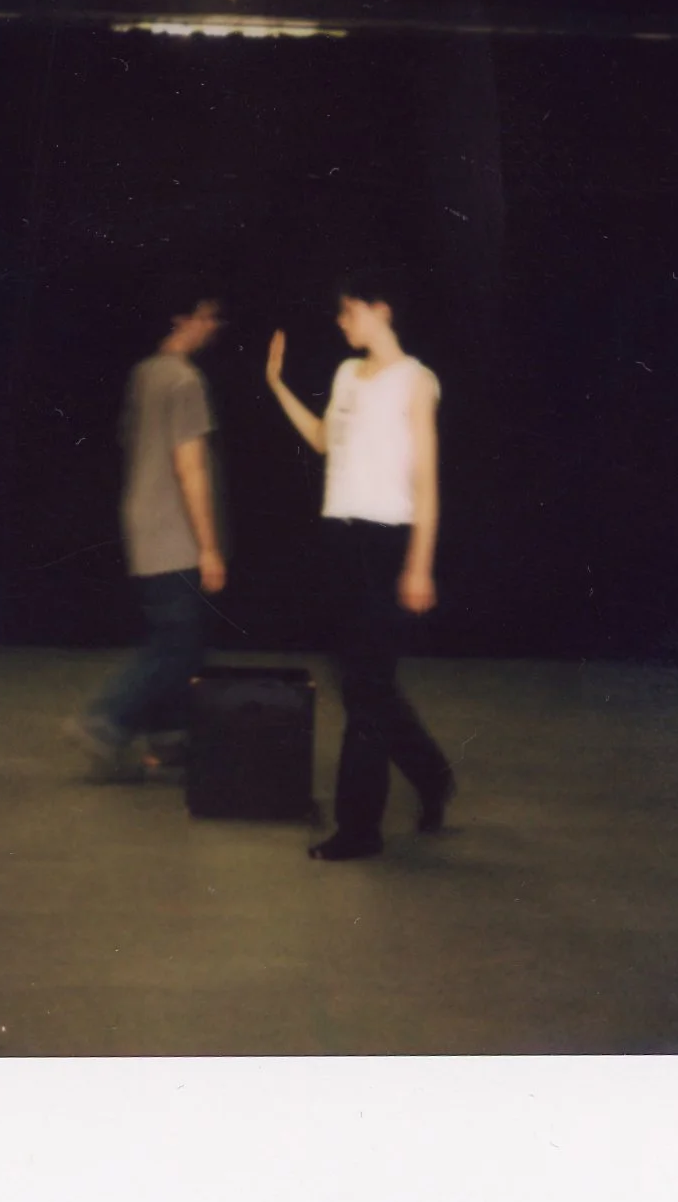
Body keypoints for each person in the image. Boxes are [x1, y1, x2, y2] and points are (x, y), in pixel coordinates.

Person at [265, 273, 455, 859]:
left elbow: (426, 479)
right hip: (339, 540)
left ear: (381, 309)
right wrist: (276, 384)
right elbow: (325, 440)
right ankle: (431, 775)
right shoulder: (346, 375)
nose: (342, 324)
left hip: (386, 541)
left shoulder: (416, 381)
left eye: (350, 312)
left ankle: (359, 829)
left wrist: (420, 564)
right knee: (366, 687)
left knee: (368, 690)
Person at [69, 282, 227, 776]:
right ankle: (105, 718)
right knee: (176, 644)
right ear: (182, 320)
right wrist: (209, 546)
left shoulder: (143, 374)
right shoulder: (185, 381)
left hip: (140, 518)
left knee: (178, 636)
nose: (213, 327)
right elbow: (190, 467)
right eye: (206, 316)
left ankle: (170, 740)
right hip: (172, 528)